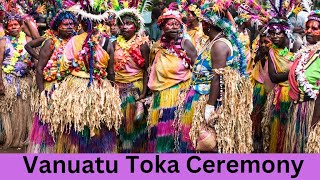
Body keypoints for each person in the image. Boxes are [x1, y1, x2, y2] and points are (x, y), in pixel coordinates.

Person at [40, 3, 122, 153]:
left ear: (81, 22)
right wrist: (112, 91)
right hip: (100, 88)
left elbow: (64, 67)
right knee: (98, 124)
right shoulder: (107, 41)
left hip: (74, 89)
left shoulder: (73, 41)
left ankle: (75, 154)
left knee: (74, 124)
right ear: (99, 23)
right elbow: (110, 71)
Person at [178, 2, 253, 153]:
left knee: (211, 143)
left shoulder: (219, 45)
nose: (201, 26)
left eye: (203, 23)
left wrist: (209, 108)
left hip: (211, 100)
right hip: (200, 95)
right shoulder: (211, 42)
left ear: (207, 25)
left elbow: (216, 78)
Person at [147, 7, 197, 153]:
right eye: (170, 24)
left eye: (177, 24)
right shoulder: (157, 46)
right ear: (162, 26)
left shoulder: (185, 44)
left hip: (180, 94)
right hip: (161, 94)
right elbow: (151, 69)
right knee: (162, 131)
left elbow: (197, 68)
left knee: (178, 131)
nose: (174, 27)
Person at [27, 11, 77, 153]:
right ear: (57, 27)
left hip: (71, 89)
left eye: (72, 24)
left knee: (68, 125)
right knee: (50, 125)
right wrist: (43, 93)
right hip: (52, 88)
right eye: (65, 24)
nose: (69, 27)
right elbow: (39, 69)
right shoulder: (50, 42)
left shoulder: (77, 42)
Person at [113, 8, 150, 153]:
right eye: (122, 24)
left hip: (135, 87)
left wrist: (144, 94)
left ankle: (135, 154)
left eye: (129, 24)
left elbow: (147, 69)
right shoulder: (114, 43)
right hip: (117, 88)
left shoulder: (143, 44)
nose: (125, 27)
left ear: (136, 26)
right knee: (119, 125)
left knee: (134, 125)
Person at [285, 11, 320, 153]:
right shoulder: (305, 51)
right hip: (298, 108)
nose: (309, 31)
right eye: (308, 27)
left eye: (315, 28)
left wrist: (314, 123)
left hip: (313, 112)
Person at [0, 13, 33, 148]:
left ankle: (23, 135)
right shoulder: (3, 41)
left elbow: (38, 38)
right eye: (11, 25)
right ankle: (7, 136)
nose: (14, 27)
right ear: (7, 28)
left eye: (16, 24)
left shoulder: (28, 39)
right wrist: (0, 83)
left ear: (21, 26)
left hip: (25, 80)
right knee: (9, 109)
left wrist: (27, 21)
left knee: (24, 109)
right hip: (8, 79)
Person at [262, 18, 294, 153]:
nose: (274, 37)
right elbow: (274, 77)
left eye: (278, 33)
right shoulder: (271, 52)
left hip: (294, 96)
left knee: (290, 129)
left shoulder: (297, 48)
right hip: (279, 96)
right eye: (272, 33)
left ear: (286, 33)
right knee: (278, 127)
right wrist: (294, 72)